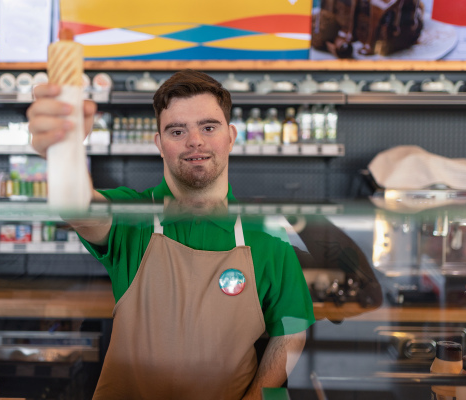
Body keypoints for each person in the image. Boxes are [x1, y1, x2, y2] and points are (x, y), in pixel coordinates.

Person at [27, 69, 315, 400]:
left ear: (231, 136)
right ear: (159, 144)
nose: (195, 141)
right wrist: (63, 150)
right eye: (177, 130)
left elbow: (291, 332)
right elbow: (77, 207)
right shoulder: (133, 216)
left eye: (209, 127)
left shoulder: (268, 233)